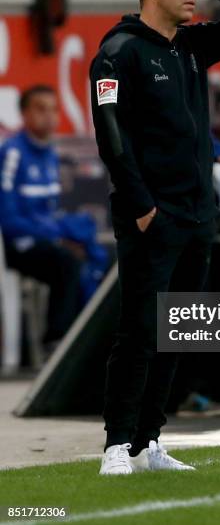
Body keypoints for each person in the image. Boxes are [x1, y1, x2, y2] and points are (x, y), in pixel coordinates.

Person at [90, 0, 220, 474]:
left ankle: (149, 443)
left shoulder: (191, 46)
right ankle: (116, 445)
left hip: (197, 214)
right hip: (153, 218)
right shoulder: (119, 52)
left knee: (175, 331)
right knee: (140, 331)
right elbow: (112, 139)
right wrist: (143, 208)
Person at [0, 85, 108, 353]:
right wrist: (56, 236)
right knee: (66, 261)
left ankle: (92, 339)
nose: (49, 116)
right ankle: (57, 343)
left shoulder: (50, 153)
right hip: (15, 245)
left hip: (46, 239)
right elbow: (7, 218)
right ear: (24, 115)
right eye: (40, 109)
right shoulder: (12, 153)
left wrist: (64, 233)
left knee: (99, 253)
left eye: (53, 109)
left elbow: (50, 212)